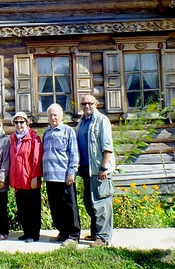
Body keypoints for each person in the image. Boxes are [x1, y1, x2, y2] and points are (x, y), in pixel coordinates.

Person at [76, 94, 116, 247]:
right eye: (84, 104)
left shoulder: (101, 120)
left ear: (96, 104)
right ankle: (95, 233)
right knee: (90, 203)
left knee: (102, 203)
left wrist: (104, 168)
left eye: (90, 103)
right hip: (87, 169)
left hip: (99, 170)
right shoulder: (82, 122)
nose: (87, 106)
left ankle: (103, 238)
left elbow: (107, 146)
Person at [42, 103, 81, 246]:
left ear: (61, 116)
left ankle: (73, 235)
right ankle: (63, 232)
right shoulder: (46, 133)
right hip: (50, 176)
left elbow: (74, 153)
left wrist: (71, 172)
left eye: (55, 115)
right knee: (56, 207)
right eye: (50, 115)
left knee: (69, 206)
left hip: (64, 176)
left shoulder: (68, 131)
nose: (52, 117)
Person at [9, 111, 43, 243]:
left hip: (30, 179)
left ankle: (34, 234)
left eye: (21, 122)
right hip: (18, 179)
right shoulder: (12, 139)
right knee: (22, 208)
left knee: (32, 208)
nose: (19, 125)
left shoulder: (34, 138)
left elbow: (36, 159)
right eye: (16, 122)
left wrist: (35, 176)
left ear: (27, 123)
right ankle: (26, 232)